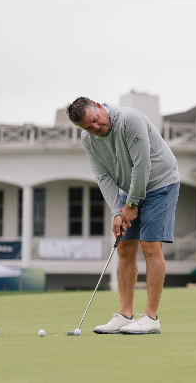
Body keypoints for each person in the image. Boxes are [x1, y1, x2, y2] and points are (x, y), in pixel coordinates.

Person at [67, 97, 180, 334]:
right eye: (88, 127)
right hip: (130, 189)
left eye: (96, 121)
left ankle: (151, 318)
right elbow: (103, 177)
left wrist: (131, 204)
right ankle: (125, 315)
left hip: (161, 183)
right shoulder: (88, 139)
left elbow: (142, 165)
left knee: (150, 246)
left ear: (98, 106)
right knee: (125, 248)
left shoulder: (130, 120)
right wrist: (117, 212)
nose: (95, 128)